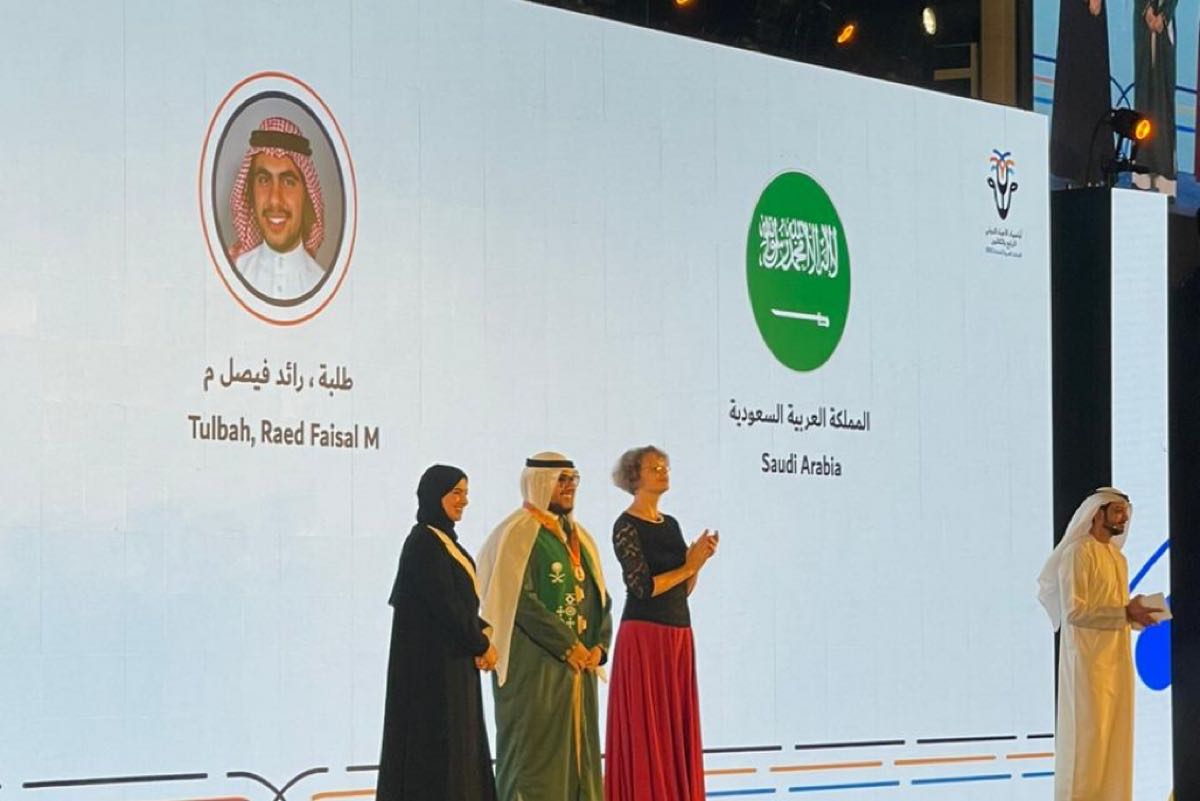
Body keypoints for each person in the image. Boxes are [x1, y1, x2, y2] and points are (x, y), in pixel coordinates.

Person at [475, 452, 612, 801]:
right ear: (539, 483)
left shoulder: (580, 537)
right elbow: (518, 600)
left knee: (578, 761)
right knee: (534, 762)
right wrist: (568, 644)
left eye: (572, 480)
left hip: (578, 671)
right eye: (560, 480)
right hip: (534, 670)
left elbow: (601, 597)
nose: (569, 487)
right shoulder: (518, 533)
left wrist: (599, 646)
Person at [376, 464, 498, 801]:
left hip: (452, 667)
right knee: (436, 760)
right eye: (456, 493)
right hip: (432, 676)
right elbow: (445, 606)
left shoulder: (442, 540)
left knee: (458, 756)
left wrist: (481, 633)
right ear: (434, 495)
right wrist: (481, 643)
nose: (464, 501)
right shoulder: (424, 543)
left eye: (466, 493)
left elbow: (458, 605)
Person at [605, 446, 718, 801]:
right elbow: (642, 587)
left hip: (677, 634)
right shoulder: (625, 525)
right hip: (644, 637)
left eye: (665, 466)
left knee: (673, 726)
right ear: (634, 476)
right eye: (654, 467)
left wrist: (697, 563)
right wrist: (689, 565)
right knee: (647, 725)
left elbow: (683, 588)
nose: (663, 471)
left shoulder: (671, 524)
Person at [1036, 487, 1163, 801]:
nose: (1123, 518)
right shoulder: (1078, 553)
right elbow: (1075, 612)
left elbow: (1114, 610)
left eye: (1126, 512)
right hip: (1087, 664)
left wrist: (1136, 614)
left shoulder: (1118, 558)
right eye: (1117, 511)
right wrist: (1124, 613)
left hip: (1116, 661)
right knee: (1088, 741)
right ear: (1097, 513)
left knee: (1115, 739)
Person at [227, 116, 328, 299]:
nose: (274, 199)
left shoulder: (323, 286)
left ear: (307, 196)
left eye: (288, 182)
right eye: (264, 180)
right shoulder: (230, 273)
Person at [1050, 0, 1113, 185]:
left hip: (1086, 14)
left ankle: (1092, 162)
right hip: (1076, 10)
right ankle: (1075, 162)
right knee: (1077, 75)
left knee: (1090, 76)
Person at [1133, 0, 1177, 196]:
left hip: (1164, 25)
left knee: (1164, 101)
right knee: (1143, 95)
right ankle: (1141, 171)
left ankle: (1165, 177)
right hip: (1143, 24)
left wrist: (1164, 14)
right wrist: (1147, 11)